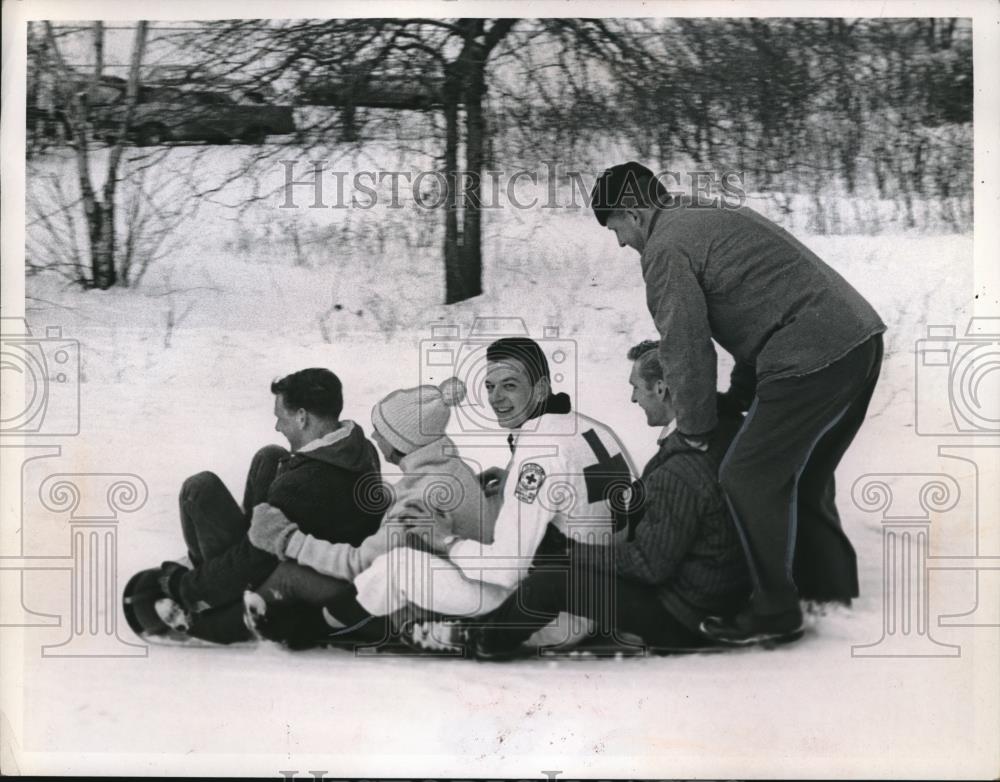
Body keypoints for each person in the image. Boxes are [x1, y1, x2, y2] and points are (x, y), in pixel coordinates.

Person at [590, 162, 886, 645]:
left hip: (809, 356)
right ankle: (831, 597)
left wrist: (695, 428)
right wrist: (740, 398)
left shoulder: (665, 247)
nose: (621, 243)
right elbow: (766, 301)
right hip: (858, 340)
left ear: (634, 212)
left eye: (615, 229)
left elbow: (684, 344)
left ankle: (774, 611)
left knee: (746, 476)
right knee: (805, 475)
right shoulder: (704, 214)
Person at [470, 340, 751, 658]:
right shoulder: (717, 432)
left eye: (636, 388)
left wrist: (570, 552)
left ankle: (481, 641)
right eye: (489, 386)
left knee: (548, 583)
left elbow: (650, 565)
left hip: (684, 614)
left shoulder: (681, 466)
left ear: (660, 389)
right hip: (710, 590)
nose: (633, 398)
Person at [122, 368, 384, 643]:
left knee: (199, 488)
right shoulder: (360, 448)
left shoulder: (304, 482)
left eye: (281, 418)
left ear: (302, 417)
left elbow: (254, 560)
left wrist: (183, 586)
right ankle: (210, 572)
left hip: (283, 575)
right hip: (327, 550)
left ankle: (206, 594)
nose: (278, 427)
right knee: (271, 457)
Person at [244, 378, 503, 647]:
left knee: (289, 576)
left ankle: (254, 629)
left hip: (417, 609)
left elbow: (358, 565)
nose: (374, 437)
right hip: (457, 587)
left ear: (401, 442)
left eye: (381, 432)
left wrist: (287, 540)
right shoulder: (454, 469)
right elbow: (416, 498)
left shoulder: (418, 500)